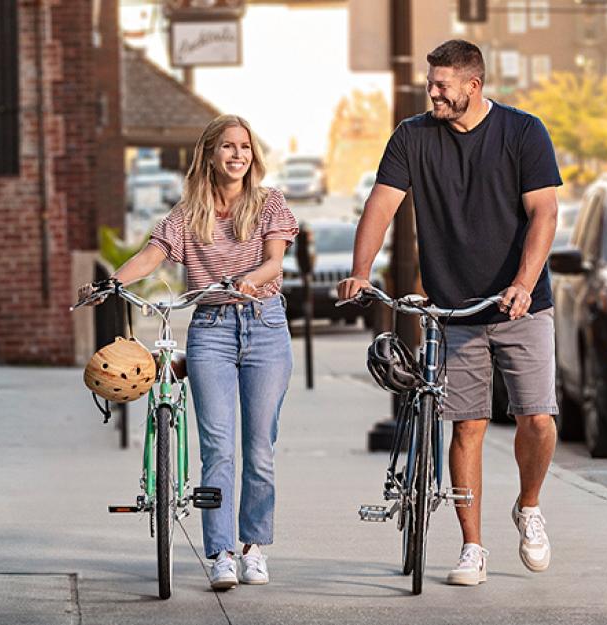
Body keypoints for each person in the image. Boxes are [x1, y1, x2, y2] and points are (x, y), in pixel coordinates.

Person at [337, 40, 561, 586]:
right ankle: (472, 547)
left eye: (441, 85)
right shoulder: (412, 138)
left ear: (473, 86)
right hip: (453, 309)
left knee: (536, 417)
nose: (431, 92)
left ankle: (528, 505)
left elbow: (544, 213)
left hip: (520, 304)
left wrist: (524, 284)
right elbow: (381, 204)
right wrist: (360, 270)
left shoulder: (522, 133)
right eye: (429, 83)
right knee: (468, 426)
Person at [78, 114, 298, 590]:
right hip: (211, 331)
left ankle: (253, 547)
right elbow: (152, 255)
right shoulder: (186, 215)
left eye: (245, 147)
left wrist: (249, 280)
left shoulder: (269, 204)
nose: (238, 155)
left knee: (259, 450)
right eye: (228, 147)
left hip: (265, 327)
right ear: (210, 155)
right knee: (218, 449)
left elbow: (275, 260)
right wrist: (112, 282)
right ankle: (219, 553)